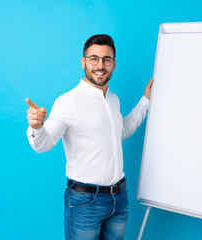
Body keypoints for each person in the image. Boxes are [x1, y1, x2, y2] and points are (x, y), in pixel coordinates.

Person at [26, 34, 153, 240]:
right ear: (83, 61)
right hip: (85, 202)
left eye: (106, 59)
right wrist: (37, 126)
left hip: (119, 199)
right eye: (94, 58)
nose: (100, 65)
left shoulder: (113, 99)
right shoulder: (68, 102)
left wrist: (145, 101)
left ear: (113, 64)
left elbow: (119, 132)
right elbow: (44, 144)